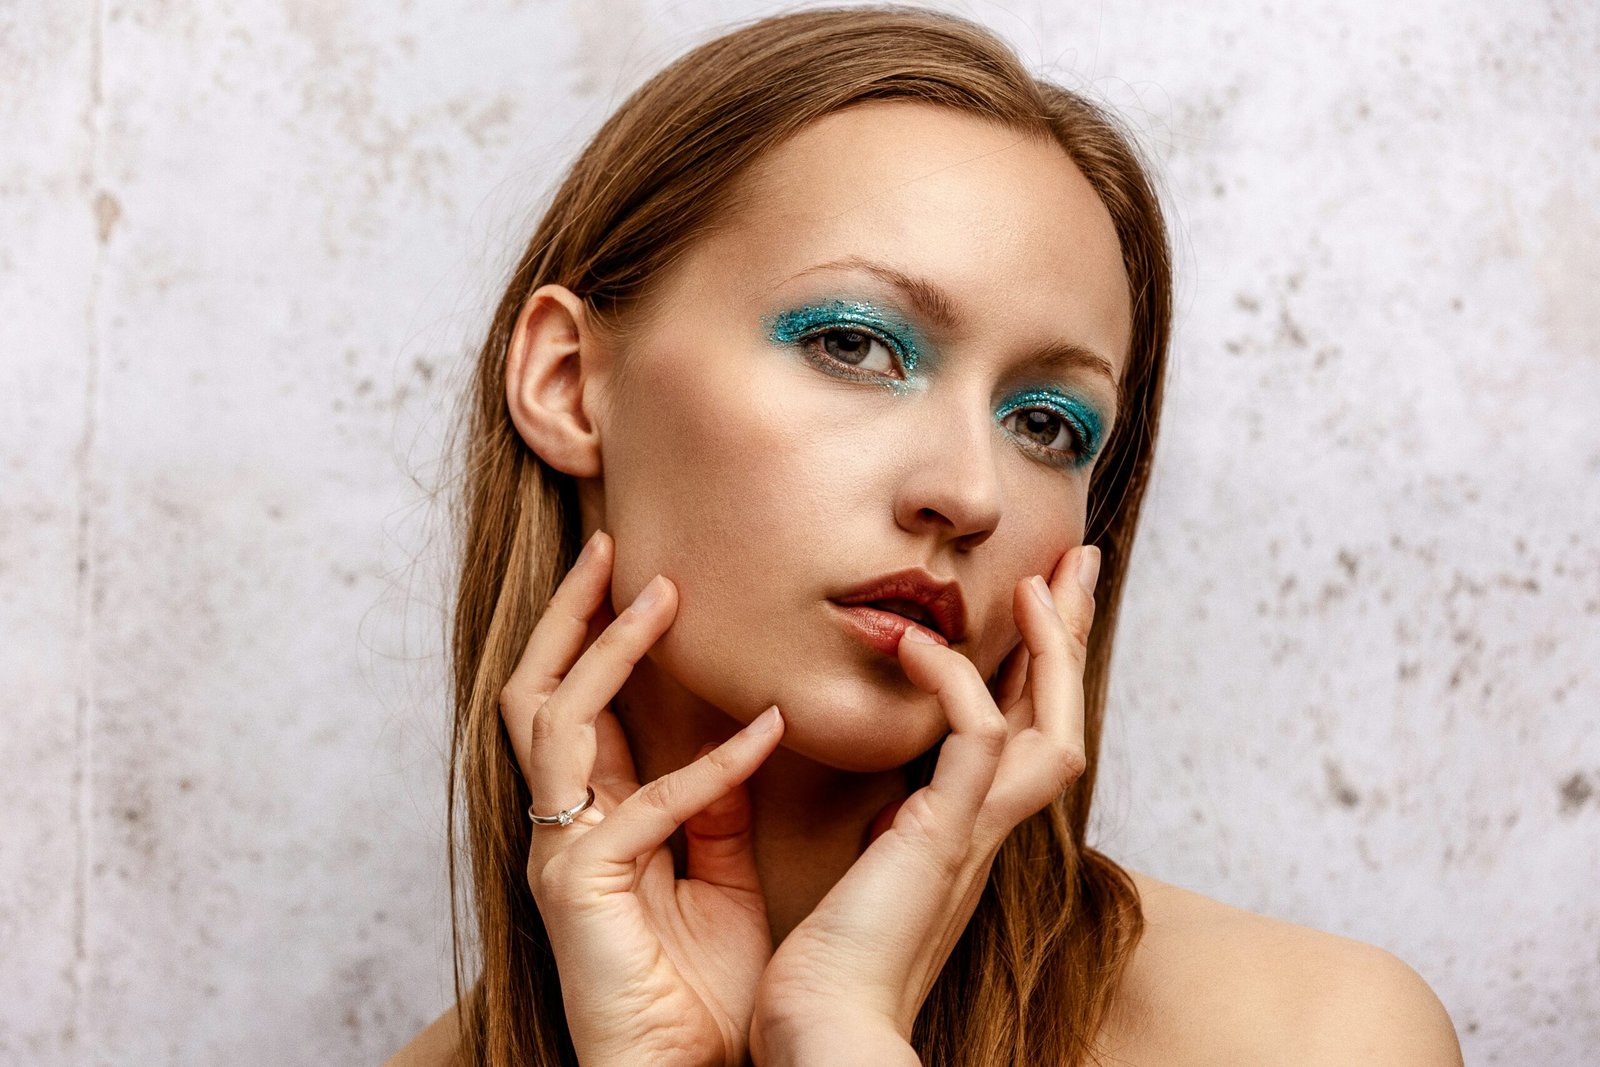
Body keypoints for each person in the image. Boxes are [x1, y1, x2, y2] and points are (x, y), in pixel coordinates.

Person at [387, 7, 1463, 1065]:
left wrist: (841, 1033)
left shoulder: (1307, 1035)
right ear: (570, 384)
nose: (967, 491)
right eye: (853, 344)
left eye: (1046, 423)